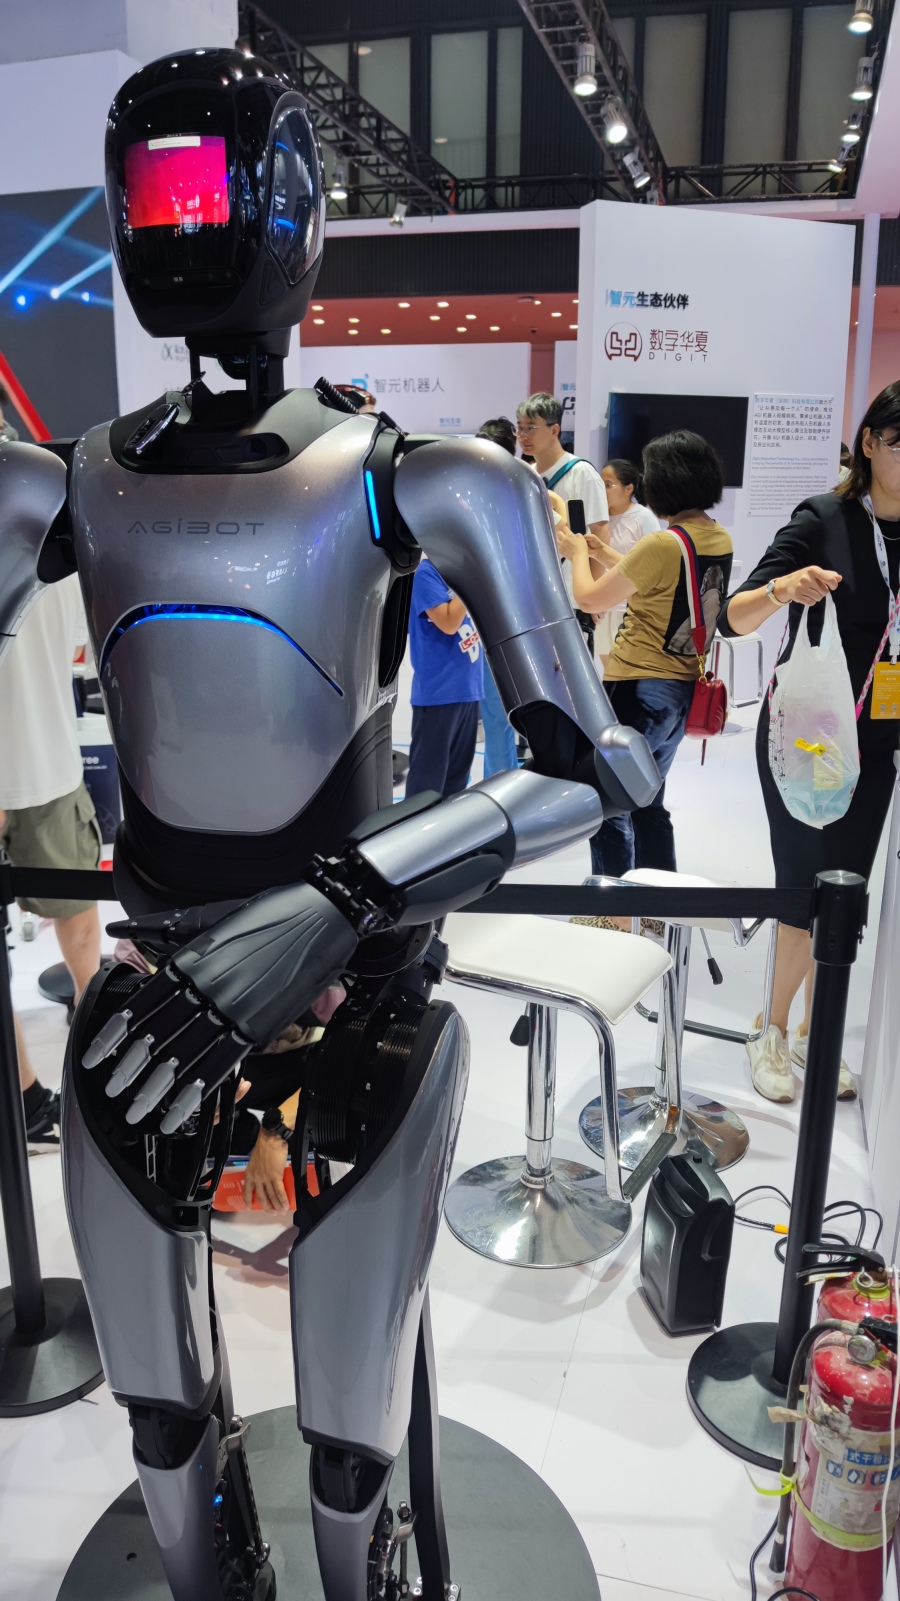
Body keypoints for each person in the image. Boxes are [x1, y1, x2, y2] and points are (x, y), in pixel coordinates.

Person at [720, 381, 900, 1105]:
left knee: (845, 894)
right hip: (812, 742)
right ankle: (769, 1030)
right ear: (870, 443)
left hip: (879, 740)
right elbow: (732, 616)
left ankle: (810, 1032)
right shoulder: (825, 518)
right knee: (803, 886)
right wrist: (783, 589)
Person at [557, 430, 732, 886]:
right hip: (678, 691)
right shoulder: (714, 537)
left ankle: (613, 910)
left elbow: (590, 598)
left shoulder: (662, 544)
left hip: (636, 687)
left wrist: (577, 554)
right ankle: (656, 902)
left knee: (608, 802)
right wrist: (603, 551)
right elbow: (660, 583)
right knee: (649, 800)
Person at [0, 577, 102, 1028]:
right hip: (43, 763)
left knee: (76, 916)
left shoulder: (60, 564)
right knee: (76, 916)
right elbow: (81, 646)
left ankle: (87, 1025)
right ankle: (89, 1029)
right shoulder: (60, 560)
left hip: (44, 767)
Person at [515, 392, 609, 651]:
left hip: (572, 597)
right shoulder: (525, 475)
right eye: (519, 428)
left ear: (554, 430)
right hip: (533, 597)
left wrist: (593, 596)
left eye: (530, 428)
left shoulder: (582, 473)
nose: (523, 435)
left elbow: (601, 534)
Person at [404, 553, 484, 800]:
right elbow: (449, 623)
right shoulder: (427, 574)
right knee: (425, 792)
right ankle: (416, 828)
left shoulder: (459, 571)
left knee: (455, 787)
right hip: (439, 695)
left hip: (468, 691)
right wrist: (471, 579)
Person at [476, 417, 519, 776]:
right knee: (493, 713)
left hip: (509, 617)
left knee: (500, 711)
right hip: (476, 613)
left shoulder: (523, 492)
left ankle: (501, 786)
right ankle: (499, 783)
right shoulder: (474, 493)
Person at [593, 458, 661, 666]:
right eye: (600, 484)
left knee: (626, 669)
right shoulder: (597, 520)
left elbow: (654, 566)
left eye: (608, 485)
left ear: (628, 488)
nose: (602, 490)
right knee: (607, 669)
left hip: (630, 609)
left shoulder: (643, 517)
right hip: (602, 608)